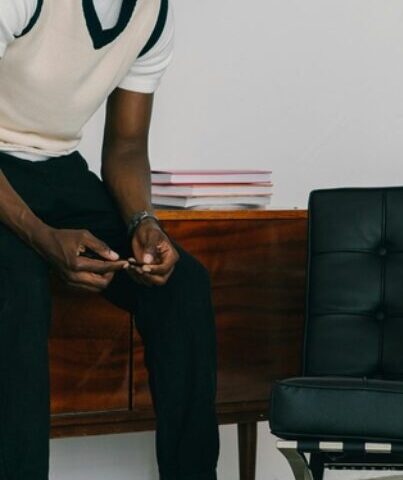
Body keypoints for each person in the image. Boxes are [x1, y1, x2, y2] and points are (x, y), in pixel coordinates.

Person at [0, 1, 218, 479]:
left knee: (182, 285)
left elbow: (125, 146)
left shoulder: (153, 16)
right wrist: (40, 236)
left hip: (59, 169)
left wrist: (145, 221)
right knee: (17, 286)